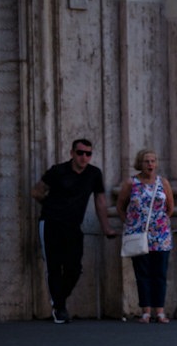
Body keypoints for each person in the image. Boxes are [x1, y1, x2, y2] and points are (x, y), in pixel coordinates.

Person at [31, 138, 116, 323]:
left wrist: (107, 227)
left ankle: (59, 302)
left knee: (74, 268)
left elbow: (100, 201)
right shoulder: (58, 171)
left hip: (73, 226)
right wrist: (50, 205)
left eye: (88, 154)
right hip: (51, 223)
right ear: (72, 153)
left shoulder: (94, 174)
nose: (84, 157)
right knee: (54, 266)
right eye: (80, 153)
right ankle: (59, 308)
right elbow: (36, 191)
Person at [116, 150, 175, 323]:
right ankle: (146, 311)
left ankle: (160, 311)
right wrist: (129, 223)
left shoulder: (162, 182)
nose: (150, 164)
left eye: (153, 161)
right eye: (146, 161)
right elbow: (120, 206)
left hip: (160, 236)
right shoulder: (131, 183)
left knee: (160, 273)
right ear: (139, 164)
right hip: (139, 234)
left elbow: (170, 207)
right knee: (142, 273)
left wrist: (160, 222)